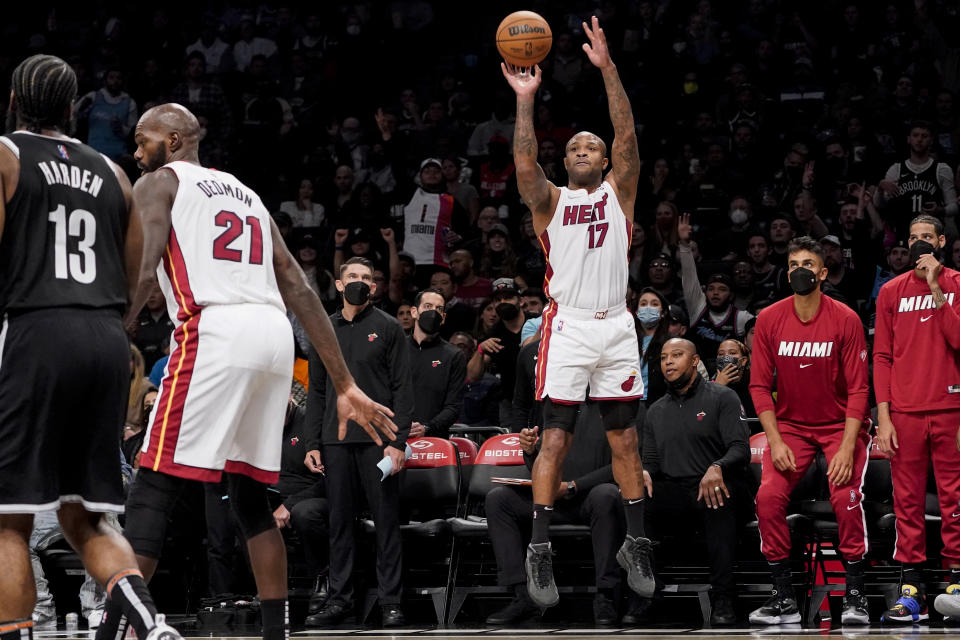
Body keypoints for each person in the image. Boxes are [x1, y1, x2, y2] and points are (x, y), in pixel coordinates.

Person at [96, 103, 399, 640]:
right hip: (273, 335)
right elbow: (301, 288)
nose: (135, 150)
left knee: (152, 487)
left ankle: (120, 632)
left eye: (142, 140)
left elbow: (144, 270)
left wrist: (110, 328)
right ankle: (275, 633)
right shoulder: (246, 192)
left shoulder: (159, 182)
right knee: (252, 496)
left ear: (171, 141)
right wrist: (346, 381)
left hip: (215, 330)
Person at [0, 54, 182, 640]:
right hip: (105, 340)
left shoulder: (5, 155)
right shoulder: (111, 169)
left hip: (34, 332)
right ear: (71, 105)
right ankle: (151, 625)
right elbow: (138, 277)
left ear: (15, 99)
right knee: (87, 515)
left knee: (8, 521)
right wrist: (109, 324)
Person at [501, 16, 653, 609]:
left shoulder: (621, 192)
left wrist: (608, 70)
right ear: (564, 161)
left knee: (625, 444)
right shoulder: (550, 202)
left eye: (591, 145)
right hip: (565, 328)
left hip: (616, 324)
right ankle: (540, 549)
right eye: (574, 146)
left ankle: (636, 542)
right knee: (555, 442)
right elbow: (522, 164)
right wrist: (525, 102)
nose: (585, 149)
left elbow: (629, 140)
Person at [748, 236, 871, 626]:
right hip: (791, 430)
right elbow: (757, 387)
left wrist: (849, 445)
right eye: (793, 263)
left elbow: (859, 389)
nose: (800, 269)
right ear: (787, 274)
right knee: (767, 498)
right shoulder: (769, 318)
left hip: (840, 426)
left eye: (808, 263)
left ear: (822, 272)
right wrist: (776, 439)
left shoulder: (846, 318)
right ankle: (783, 598)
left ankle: (855, 596)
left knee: (847, 495)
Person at [303, 257, 413, 628]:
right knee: (339, 524)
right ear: (338, 284)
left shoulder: (388, 327)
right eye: (352, 276)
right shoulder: (324, 329)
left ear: (375, 287)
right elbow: (317, 390)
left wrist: (397, 442)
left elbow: (403, 388)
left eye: (366, 278)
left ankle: (391, 602)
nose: (359, 282)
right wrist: (312, 443)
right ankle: (340, 600)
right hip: (335, 442)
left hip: (379, 441)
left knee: (386, 521)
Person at [874, 215, 960, 623]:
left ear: (941, 241)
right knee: (906, 504)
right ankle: (912, 593)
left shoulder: (957, 283)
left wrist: (935, 287)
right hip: (904, 413)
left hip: (951, 410)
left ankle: (955, 584)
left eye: (927, 237)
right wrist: (884, 417)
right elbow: (882, 357)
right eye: (913, 238)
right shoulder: (890, 291)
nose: (920, 244)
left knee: (955, 500)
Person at [484, 405, 625, 626]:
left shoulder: (611, 406)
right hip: (550, 500)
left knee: (606, 495)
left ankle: (606, 595)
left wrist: (573, 486)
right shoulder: (554, 407)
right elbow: (541, 463)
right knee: (498, 500)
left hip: (589, 498)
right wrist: (530, 451)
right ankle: (522, 596)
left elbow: (621, 462)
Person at [644, 338, 750, 626]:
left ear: (694, 361)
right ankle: (647, 595)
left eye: (676, 355)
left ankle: (724, 598)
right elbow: (652, 463)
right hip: (676, 489)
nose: (668, 361)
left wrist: (717, 466)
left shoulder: (722, 397)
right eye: (664, 357)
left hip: (719, 483)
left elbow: (741, 449)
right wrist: (643, 473)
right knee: (633, 501)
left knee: (717, 498)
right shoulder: (655, 411)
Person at [678, 213, 753, 373]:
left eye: (722, 289)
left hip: (731, 374)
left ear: (731, 295)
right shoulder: (697, 308)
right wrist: (684, 244)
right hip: (698, 373)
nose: (715, 293)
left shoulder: (741, 317)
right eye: (711, 289)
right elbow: (689, 278)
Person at [876, 120, 958, 236]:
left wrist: (940, 210)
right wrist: (880, 188)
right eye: (915, 135)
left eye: (924, 136)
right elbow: (880, 204)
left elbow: (954, 206)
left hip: (931, 236)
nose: (919, 139)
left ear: (931, 141)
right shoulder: (896, 169)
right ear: (908, 139)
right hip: (902, 234)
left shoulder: (942, 169)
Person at [407, 288, 466, 439]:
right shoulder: (394, 349)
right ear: (414, 312)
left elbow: (453, 406)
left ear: (443, 317)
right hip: (392, 438)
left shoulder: (454, 355)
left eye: (439, 309)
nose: (433, 312)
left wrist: (427, 427)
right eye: (427, 306)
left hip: (434, 440)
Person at [468, 278, 527, 428]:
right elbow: (472, 376)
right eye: (498, 299)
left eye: (508, 297)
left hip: (542, 398)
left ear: (520, 301)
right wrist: (480, 350)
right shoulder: (494, 335)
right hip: (511, 403)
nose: (503, 302)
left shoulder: (536, 323)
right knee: (512, 447)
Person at [712, 339, 755, 418]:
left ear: (743, 361)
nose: (726, 357)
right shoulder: (708, 386)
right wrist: (718, 387)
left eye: (732, 353)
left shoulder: (754, 385)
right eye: (721, 354)